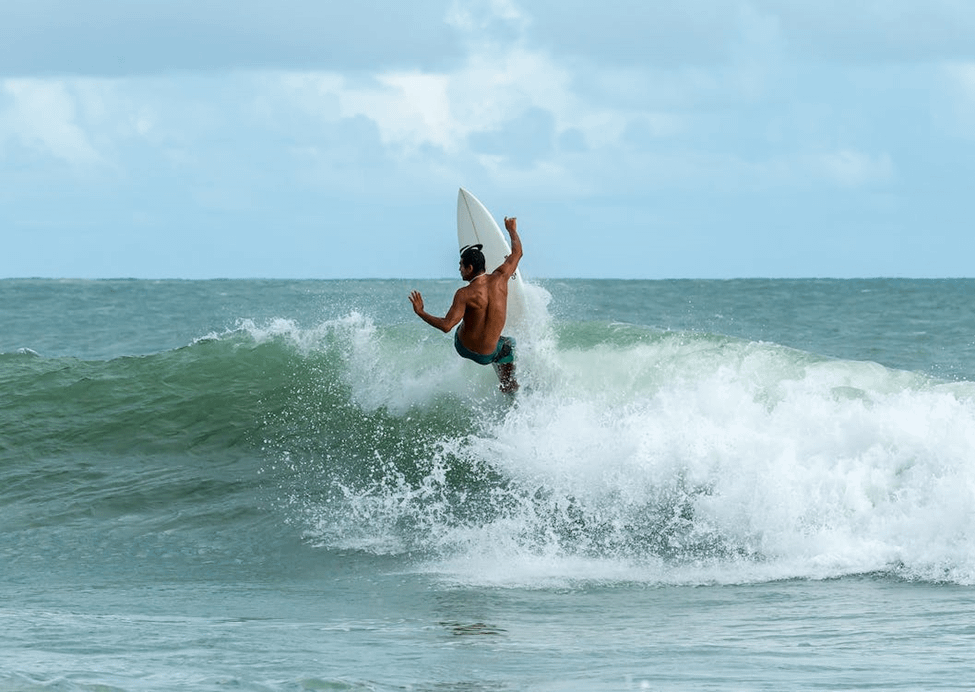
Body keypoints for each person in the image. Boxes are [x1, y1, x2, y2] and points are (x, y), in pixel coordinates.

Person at [409, 216, 523, 393]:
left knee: (466, 319)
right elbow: (517, 253)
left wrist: (421, 312)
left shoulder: (464, 293)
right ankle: (508, 383)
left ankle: (504, 377)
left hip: (464, 348)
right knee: (509, 344)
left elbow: (446, 326)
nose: (459, 269)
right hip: (488, 355)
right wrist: (511, 229)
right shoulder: (502, 278)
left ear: (470, 268)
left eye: (461, 265)